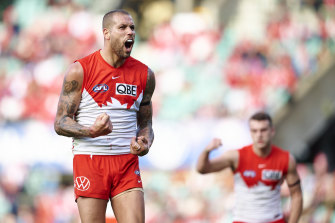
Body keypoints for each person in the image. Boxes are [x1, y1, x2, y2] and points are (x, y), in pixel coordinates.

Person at [54, 9, 155, 223]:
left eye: (132, 28)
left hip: (126, 162)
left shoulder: (145, 75)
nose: (130, 33)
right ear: (106, 33)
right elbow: (60, 122)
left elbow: (146, 124)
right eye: (123, 27)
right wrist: (92, 131)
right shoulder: (80, 70)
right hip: (90, 160)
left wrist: (145, 142)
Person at [196, 112, 303, 223]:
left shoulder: (286, 159)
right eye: (254, 131)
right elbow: (202, 169)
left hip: (273, 220)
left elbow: (297, 195)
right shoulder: (237, 157)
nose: (259, 135)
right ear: (250, 133)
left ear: (272, 131)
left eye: (263, 130)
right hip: (244, 220)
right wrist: (206, 151)